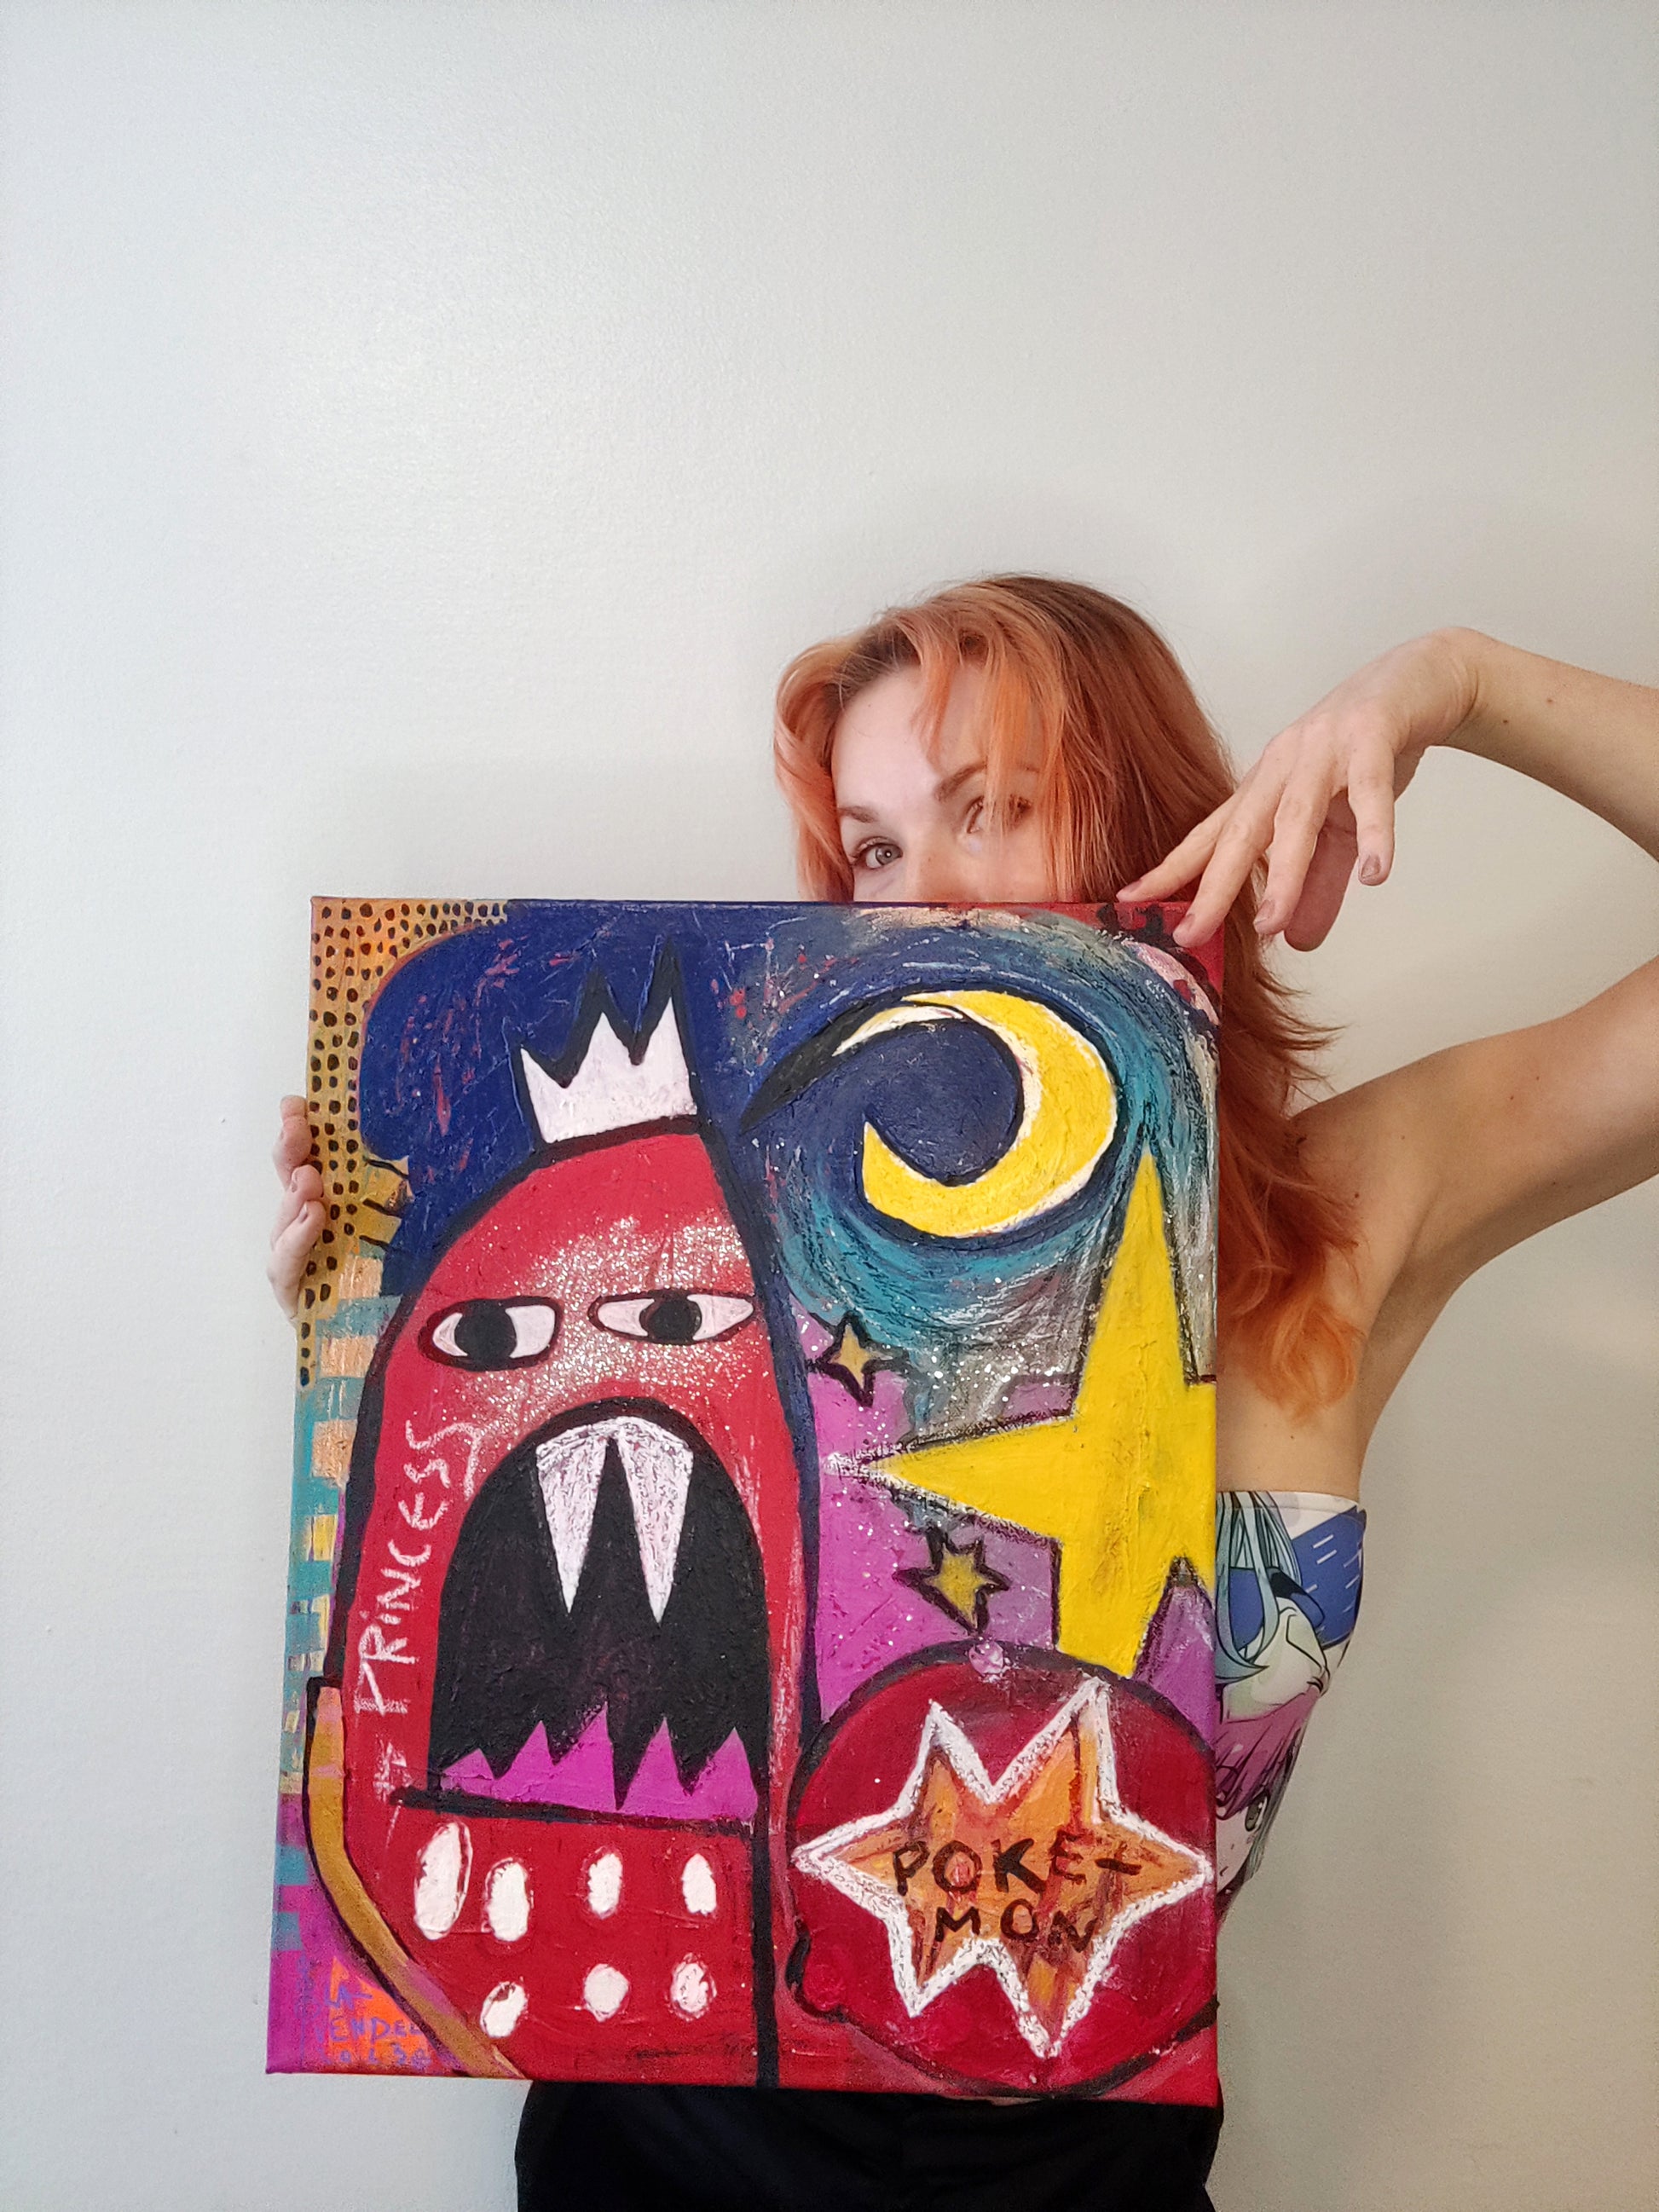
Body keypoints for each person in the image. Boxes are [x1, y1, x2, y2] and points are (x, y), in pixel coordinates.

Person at [268, 577, 1658, 2212]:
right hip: (648, 2165)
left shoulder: (1338, 1219)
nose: (919, 893)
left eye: (990, 809)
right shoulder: (697, 1240)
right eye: (872, 848)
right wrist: (370, 1315)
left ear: (1158, 829)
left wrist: (1456, 681)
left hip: (1096, 2189)